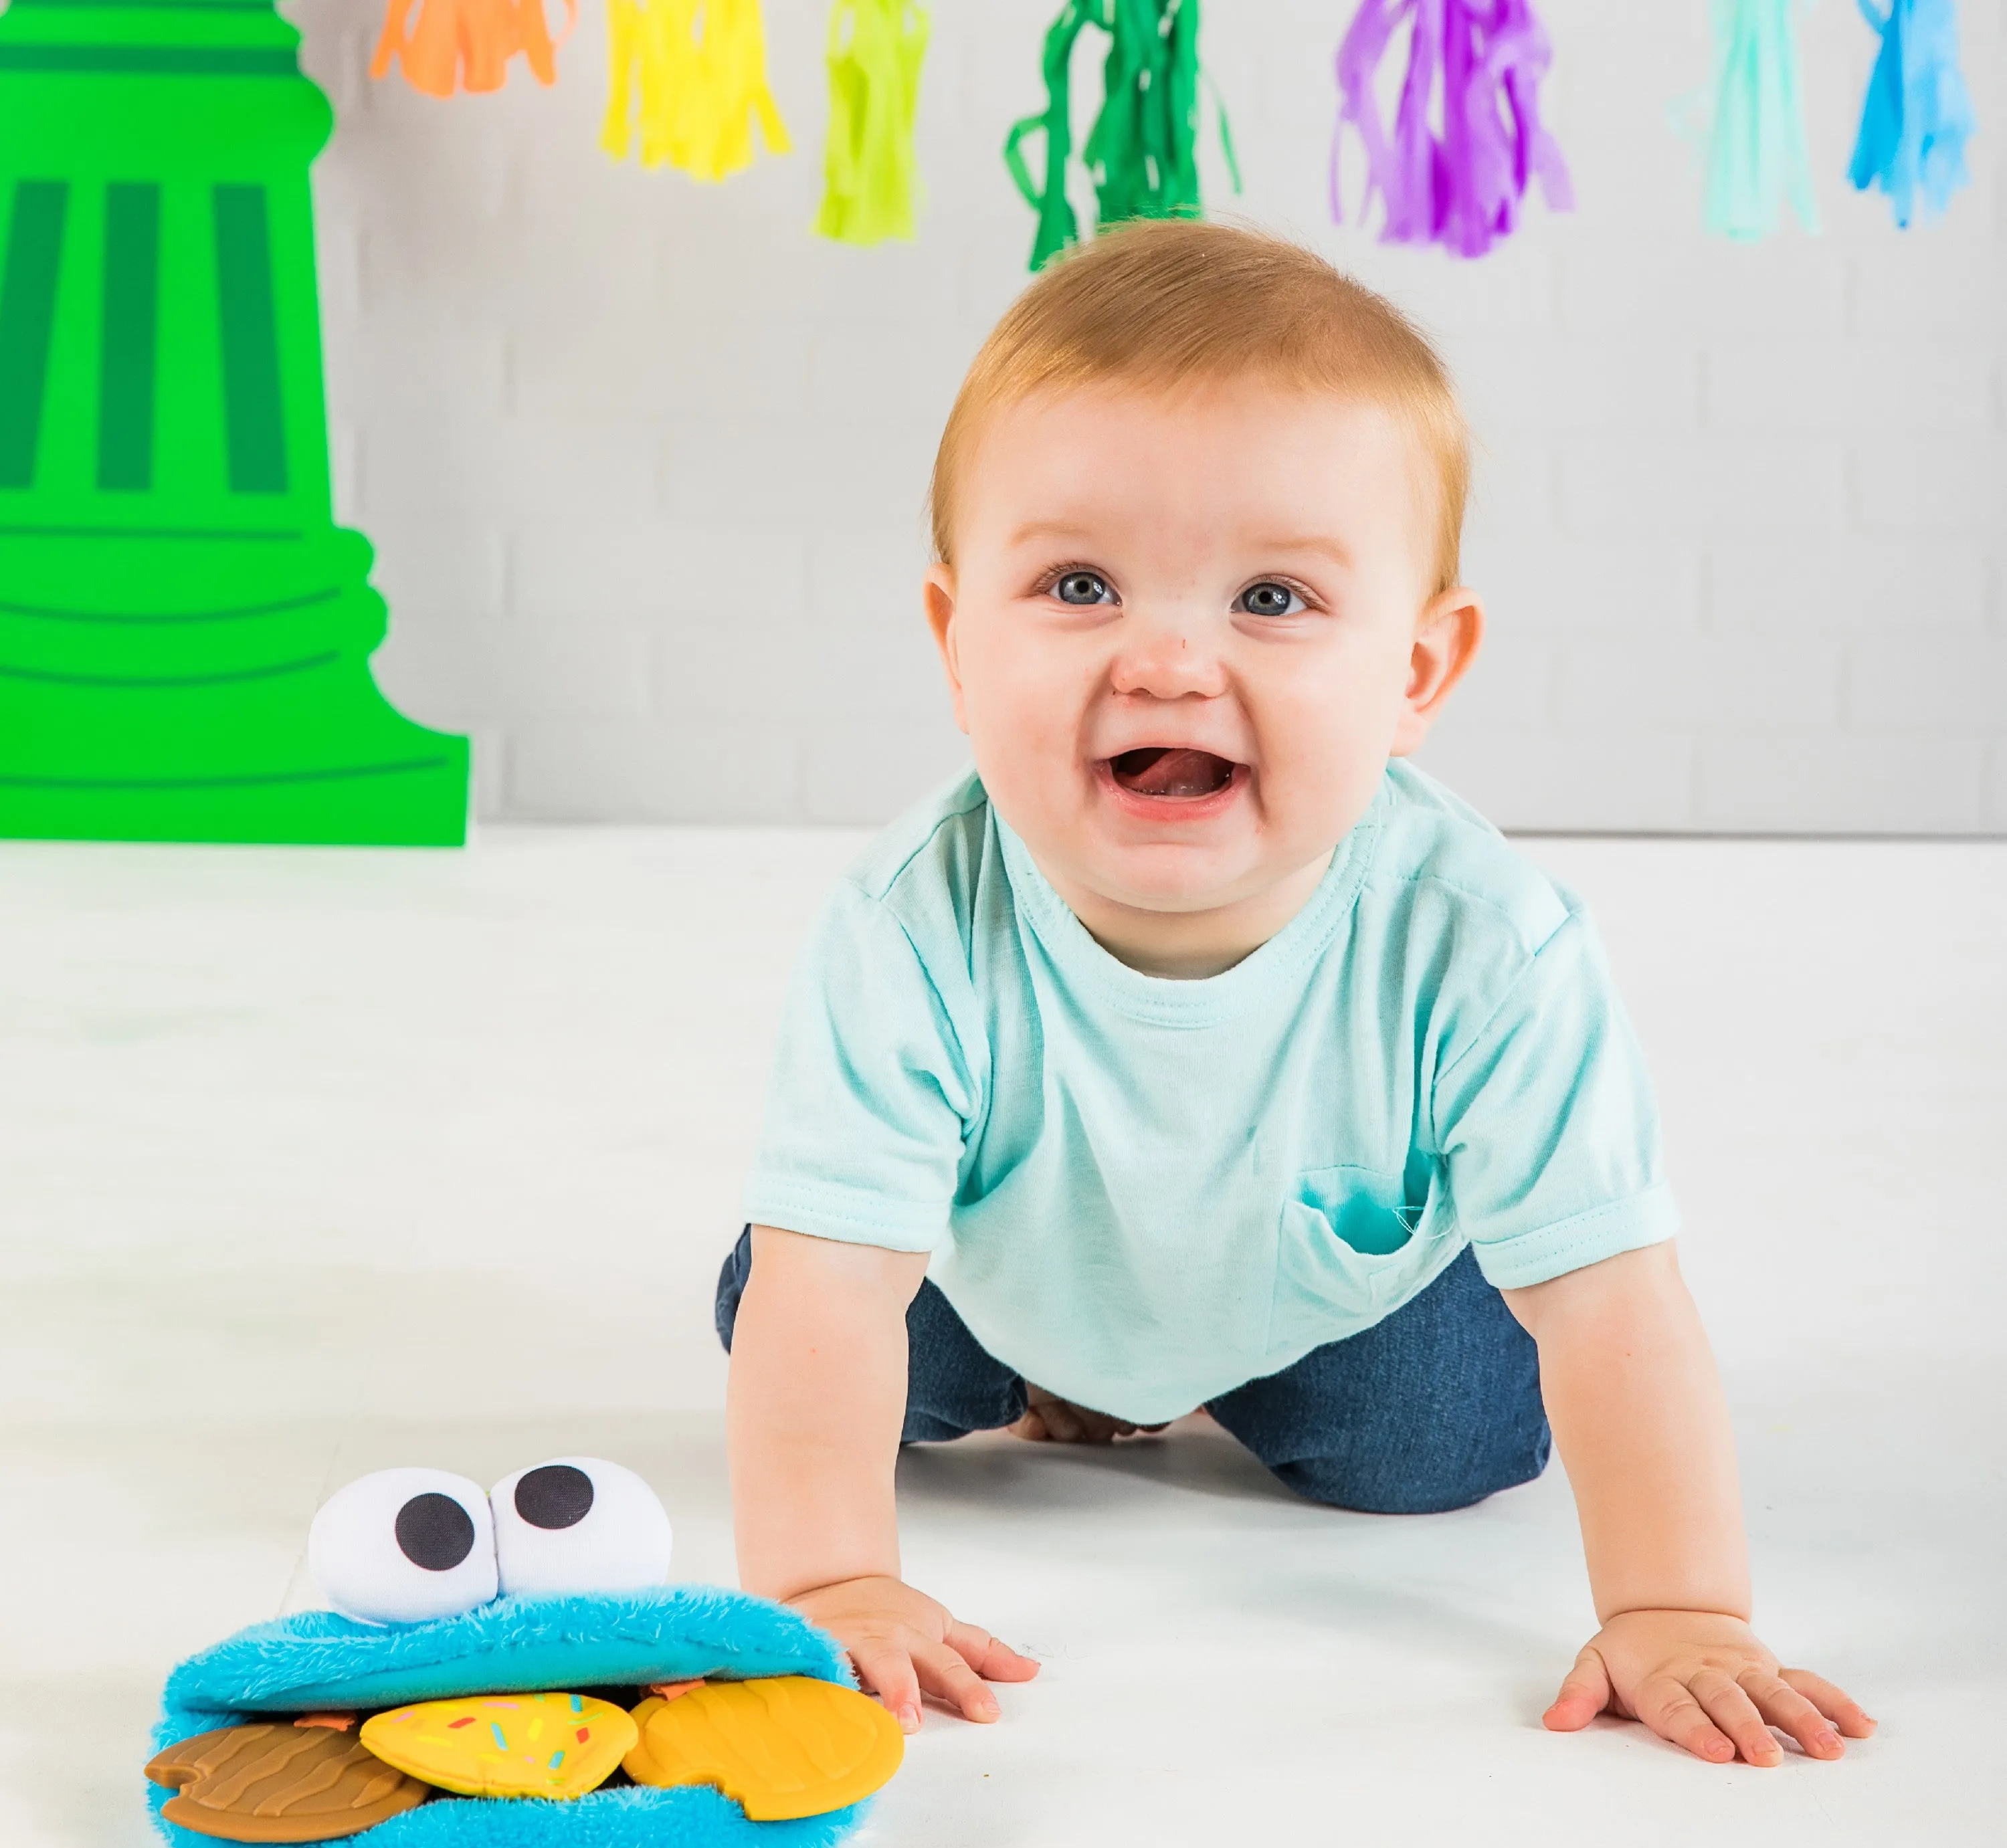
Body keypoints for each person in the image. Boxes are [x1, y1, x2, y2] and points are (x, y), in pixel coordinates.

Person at [716, 220, 1873, 1768]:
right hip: (999, 1278)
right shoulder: (910, 924)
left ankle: (1223, 1385)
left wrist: (1681, 1608)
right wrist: (831, 1577)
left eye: (1273, 600)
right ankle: (1062, 1377)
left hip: (1334, 1304)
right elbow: (836, 1291)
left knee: (1454, 1440)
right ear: (954, 641)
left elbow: (1609, 1296)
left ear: (1416, 671)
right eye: (1078, 584)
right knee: (790, 1310)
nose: (1171, 661)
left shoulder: (1484, 940)